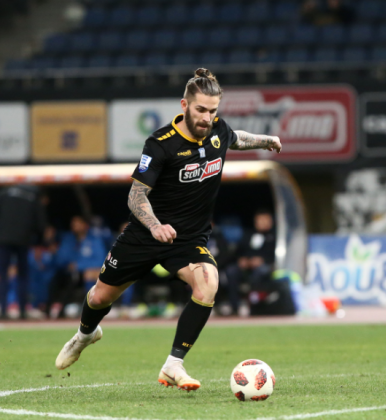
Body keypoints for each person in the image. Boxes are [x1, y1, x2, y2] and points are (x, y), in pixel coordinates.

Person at [55, 68, 282, 392]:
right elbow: (135, 196)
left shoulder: (217, 129)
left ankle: (174, 363)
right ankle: (84, 335)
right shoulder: (160, 144)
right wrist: (155, 225)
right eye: (201, 110)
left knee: (208, 282)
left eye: (213, 111)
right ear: (184, 105)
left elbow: (237, 138)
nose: (207, 117)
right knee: (100, 296)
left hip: (187, 240)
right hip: (144, 236)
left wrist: (265, 141)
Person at [48, 215, 107, 318]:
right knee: (53, 278)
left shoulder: (94, 240)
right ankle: (51, 308)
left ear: (85, 225)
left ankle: (89, 307)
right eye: (73, 223)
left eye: (78, 223)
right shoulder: (68, 240)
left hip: (85, 273)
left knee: (85, 276)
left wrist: (79, 265)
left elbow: (101, 260)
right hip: (67, 272)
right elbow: (61, 258)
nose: (75, 225)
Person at [0, 185, 45, 319]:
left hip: (4, 239)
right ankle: (23, 310)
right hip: (23, 240)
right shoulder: (32, 197)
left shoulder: (4, 194)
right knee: (23, 276)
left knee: (3, 274)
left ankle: (3, 310)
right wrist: (39, 244)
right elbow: (41, 224)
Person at [225, 209, 276, 315]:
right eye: (260, 220)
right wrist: (241, 259)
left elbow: (275, 255)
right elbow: (238, 252)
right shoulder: (248, 234)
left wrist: (262, 260)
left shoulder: (274, 237)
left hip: (264, 266)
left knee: (260, 271)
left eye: (265, 220)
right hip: (246, 266)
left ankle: (253, 305)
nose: (262, 223)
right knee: (231, 271)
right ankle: (234, 305)